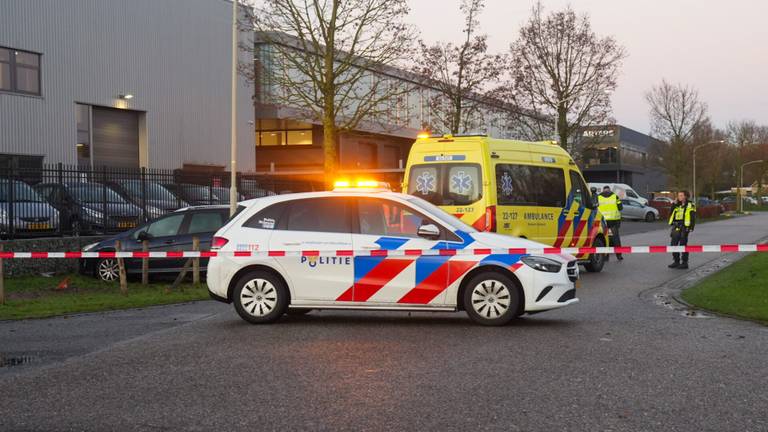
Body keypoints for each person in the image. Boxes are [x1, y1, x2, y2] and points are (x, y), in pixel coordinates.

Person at [668, 190, 696, 269]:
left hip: (685, 227)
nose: (679, 197)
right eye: (678, 195)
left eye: (681, 195)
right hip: (676, 226)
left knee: (683, 245)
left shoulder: (690, 204)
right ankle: (676, 261)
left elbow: (693, 217)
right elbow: (670, 214)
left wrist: (691, 227)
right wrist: (673, 204)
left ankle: (684, 263)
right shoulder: (677, 204)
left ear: (685, 196)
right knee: (673, 244)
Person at [597, 185, 624, 260]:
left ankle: (606, 256)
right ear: (609, 190)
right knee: (616, 238)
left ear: (603, 190)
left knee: (604, 238)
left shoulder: (598, 197)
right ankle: (619, 255)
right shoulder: (615, 196)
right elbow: (620, 208)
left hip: (602, 221)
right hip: (613, 220)